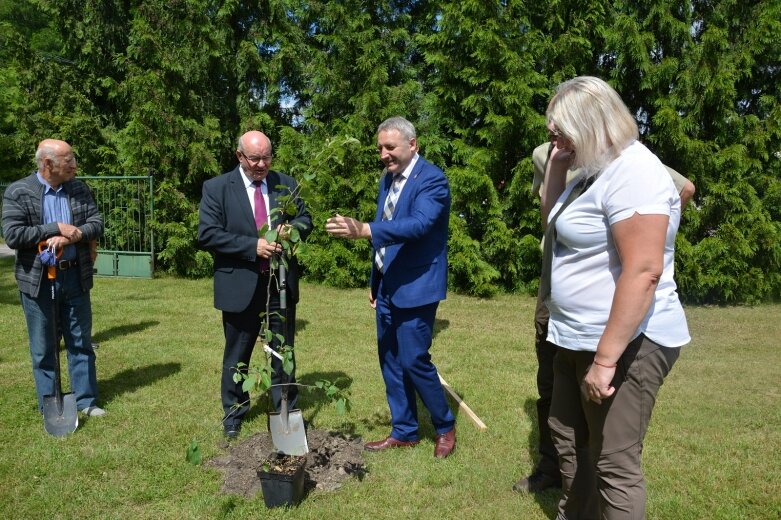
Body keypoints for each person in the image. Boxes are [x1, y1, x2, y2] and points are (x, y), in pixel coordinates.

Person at [538, 76, 691, 518]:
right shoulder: (589, 169)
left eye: (560, 128)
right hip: (574, 337)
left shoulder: (634, 171)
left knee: (613, 460)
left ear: (592, 122)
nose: (552, 136)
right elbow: (553, 222)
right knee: (567, 436)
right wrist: (556, 165)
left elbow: (643, 271)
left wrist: (606, 362)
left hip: (628, 344)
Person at [325, 116, 457, 458]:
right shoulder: (388, 179)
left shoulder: (433, 180)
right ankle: (405, 430)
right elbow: (388, 227)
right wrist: (377, 279)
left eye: (390, 147)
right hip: (388, 285)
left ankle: (444, 426)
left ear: (413, 145)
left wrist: (365, 230)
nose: (384, 154)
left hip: (417, 285)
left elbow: (419, 225)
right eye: (380, 148)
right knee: (390, 360)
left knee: (414, 360)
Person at [198, 130, 312, 439]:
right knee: (237, 353)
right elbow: (207, 234)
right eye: (254, 158)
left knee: (282, 351)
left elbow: (305, 219)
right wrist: (253, 246)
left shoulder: (286, 184)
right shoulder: (218, 188)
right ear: (239, 156)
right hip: (240, 285)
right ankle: (234, 413)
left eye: (266, 157)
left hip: (280, 284)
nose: (261, 164)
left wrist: (293, 228)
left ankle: (285, 411)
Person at [2, 139, 105, 417]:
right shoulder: (19, 191)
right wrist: (54, 228)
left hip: (75, 276)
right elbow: (13, 235)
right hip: (37, 281)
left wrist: (74, 234)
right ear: (48, 164)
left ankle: (85, 401)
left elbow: (97, 223)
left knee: (80, 341)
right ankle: (50, 402)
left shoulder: (79, 188)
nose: (74, 164)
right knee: (43, 347)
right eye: (68, 159)